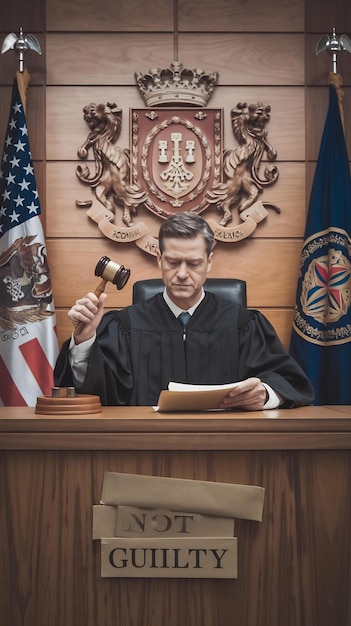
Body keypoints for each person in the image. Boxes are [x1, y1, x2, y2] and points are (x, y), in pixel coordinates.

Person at [54, 212, 314, 409]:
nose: (181, 274)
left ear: (209, 262)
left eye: (193, 263)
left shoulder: (243, 324)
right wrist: (85, 341)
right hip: (143, 454)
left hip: (225, 453)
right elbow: (97, 394)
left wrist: (266, 394)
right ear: (159, 259)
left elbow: (289, 381)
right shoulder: (125, 326)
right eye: (173, 261)